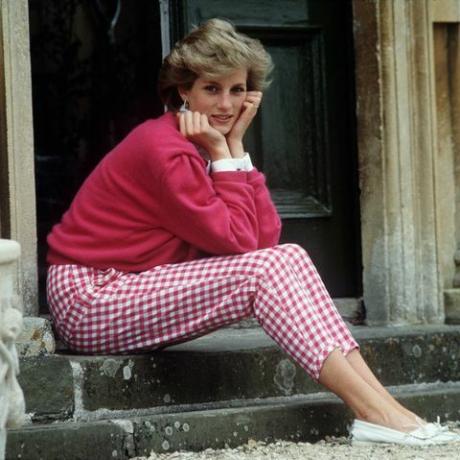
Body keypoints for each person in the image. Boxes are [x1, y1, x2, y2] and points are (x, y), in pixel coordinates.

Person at [46, 18, 459, 446]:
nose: (226, 104)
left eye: (237, 90)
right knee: (263, 271)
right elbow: (241, 244)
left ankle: (387, 408)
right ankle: (373, 412)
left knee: (290, 256)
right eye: (212, 89)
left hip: (129, 286)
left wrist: (236, 148)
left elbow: (265, 238)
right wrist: (225, 152)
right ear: (184, 91)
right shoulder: (164, 150)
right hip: (90, 298)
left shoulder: (203, 142)